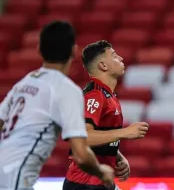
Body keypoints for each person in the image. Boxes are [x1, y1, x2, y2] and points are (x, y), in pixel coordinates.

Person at [0, 21, 114, 190]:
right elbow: (81, 155)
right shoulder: (65, 89)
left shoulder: (24, 83)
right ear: (74, 50)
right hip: (15, 178)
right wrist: (101, 172)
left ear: (39, 49)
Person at [64, 40, 150, 190]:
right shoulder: (95, 95)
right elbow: (82, 138)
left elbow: (102, 135)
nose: (121, 58)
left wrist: (117, 156)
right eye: (114, 56)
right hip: (85, 184)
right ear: (103, 66)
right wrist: (125, 132)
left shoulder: (108, 95)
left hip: (100, 182)